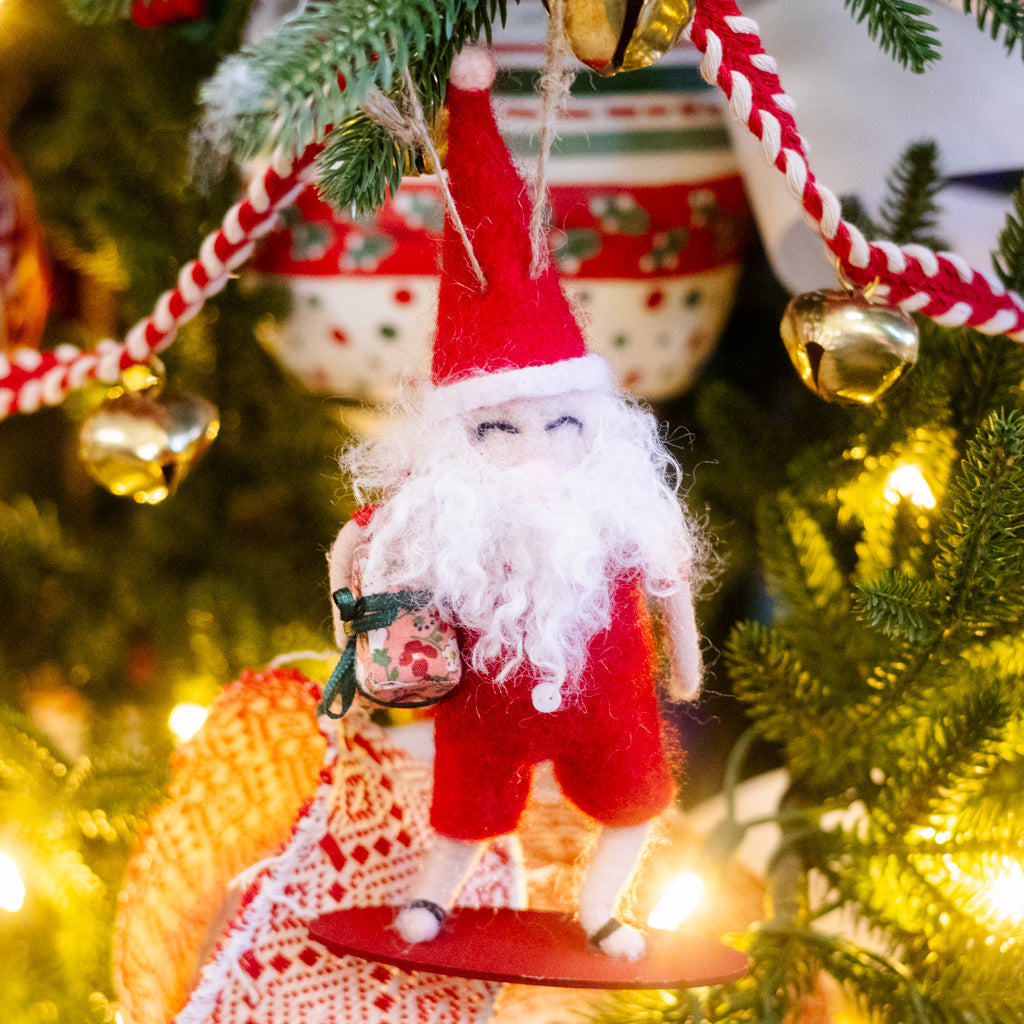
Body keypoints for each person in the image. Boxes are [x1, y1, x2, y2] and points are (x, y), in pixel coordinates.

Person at [327, 48, 705, 959]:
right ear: (460, 436)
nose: (537, 449)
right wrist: (351, 638)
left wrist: (684, 659)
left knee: (636, 798)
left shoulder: (621, 498)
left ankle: (604, 907)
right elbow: (356, 550)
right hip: (478, 717)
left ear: (596, 415)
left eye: (562, 424)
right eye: (500, 431)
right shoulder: (437, 510)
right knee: (462, 812)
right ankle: (432, 898)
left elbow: (670, 575)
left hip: (608, 701)